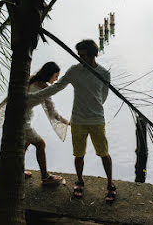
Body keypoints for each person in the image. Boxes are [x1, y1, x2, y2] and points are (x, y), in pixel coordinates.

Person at [28, 39, 116, 203]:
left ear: (92, 55)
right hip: (78, 120)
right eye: (79, 55)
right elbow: (56, 87)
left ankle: (110, 184)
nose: (80, 58)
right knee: (78, 154)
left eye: (83, 55)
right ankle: (79, 181)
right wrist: (32, 97)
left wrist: (92, 107)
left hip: (97, 119)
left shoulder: (104, 73)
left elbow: (103, 97)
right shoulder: (74, 71)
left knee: (104, 153)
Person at [0, 62, 69, 184]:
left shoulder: (30, 80)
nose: (56, 79)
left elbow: (12, 95)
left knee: (25, 144)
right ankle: (45, 177)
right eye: (56, 76)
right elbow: (53, 113)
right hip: (21, 121)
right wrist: (67, 122)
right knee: (41, 144)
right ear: (49, 74)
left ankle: (17, 171)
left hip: (15, 117)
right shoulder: (44, 88)